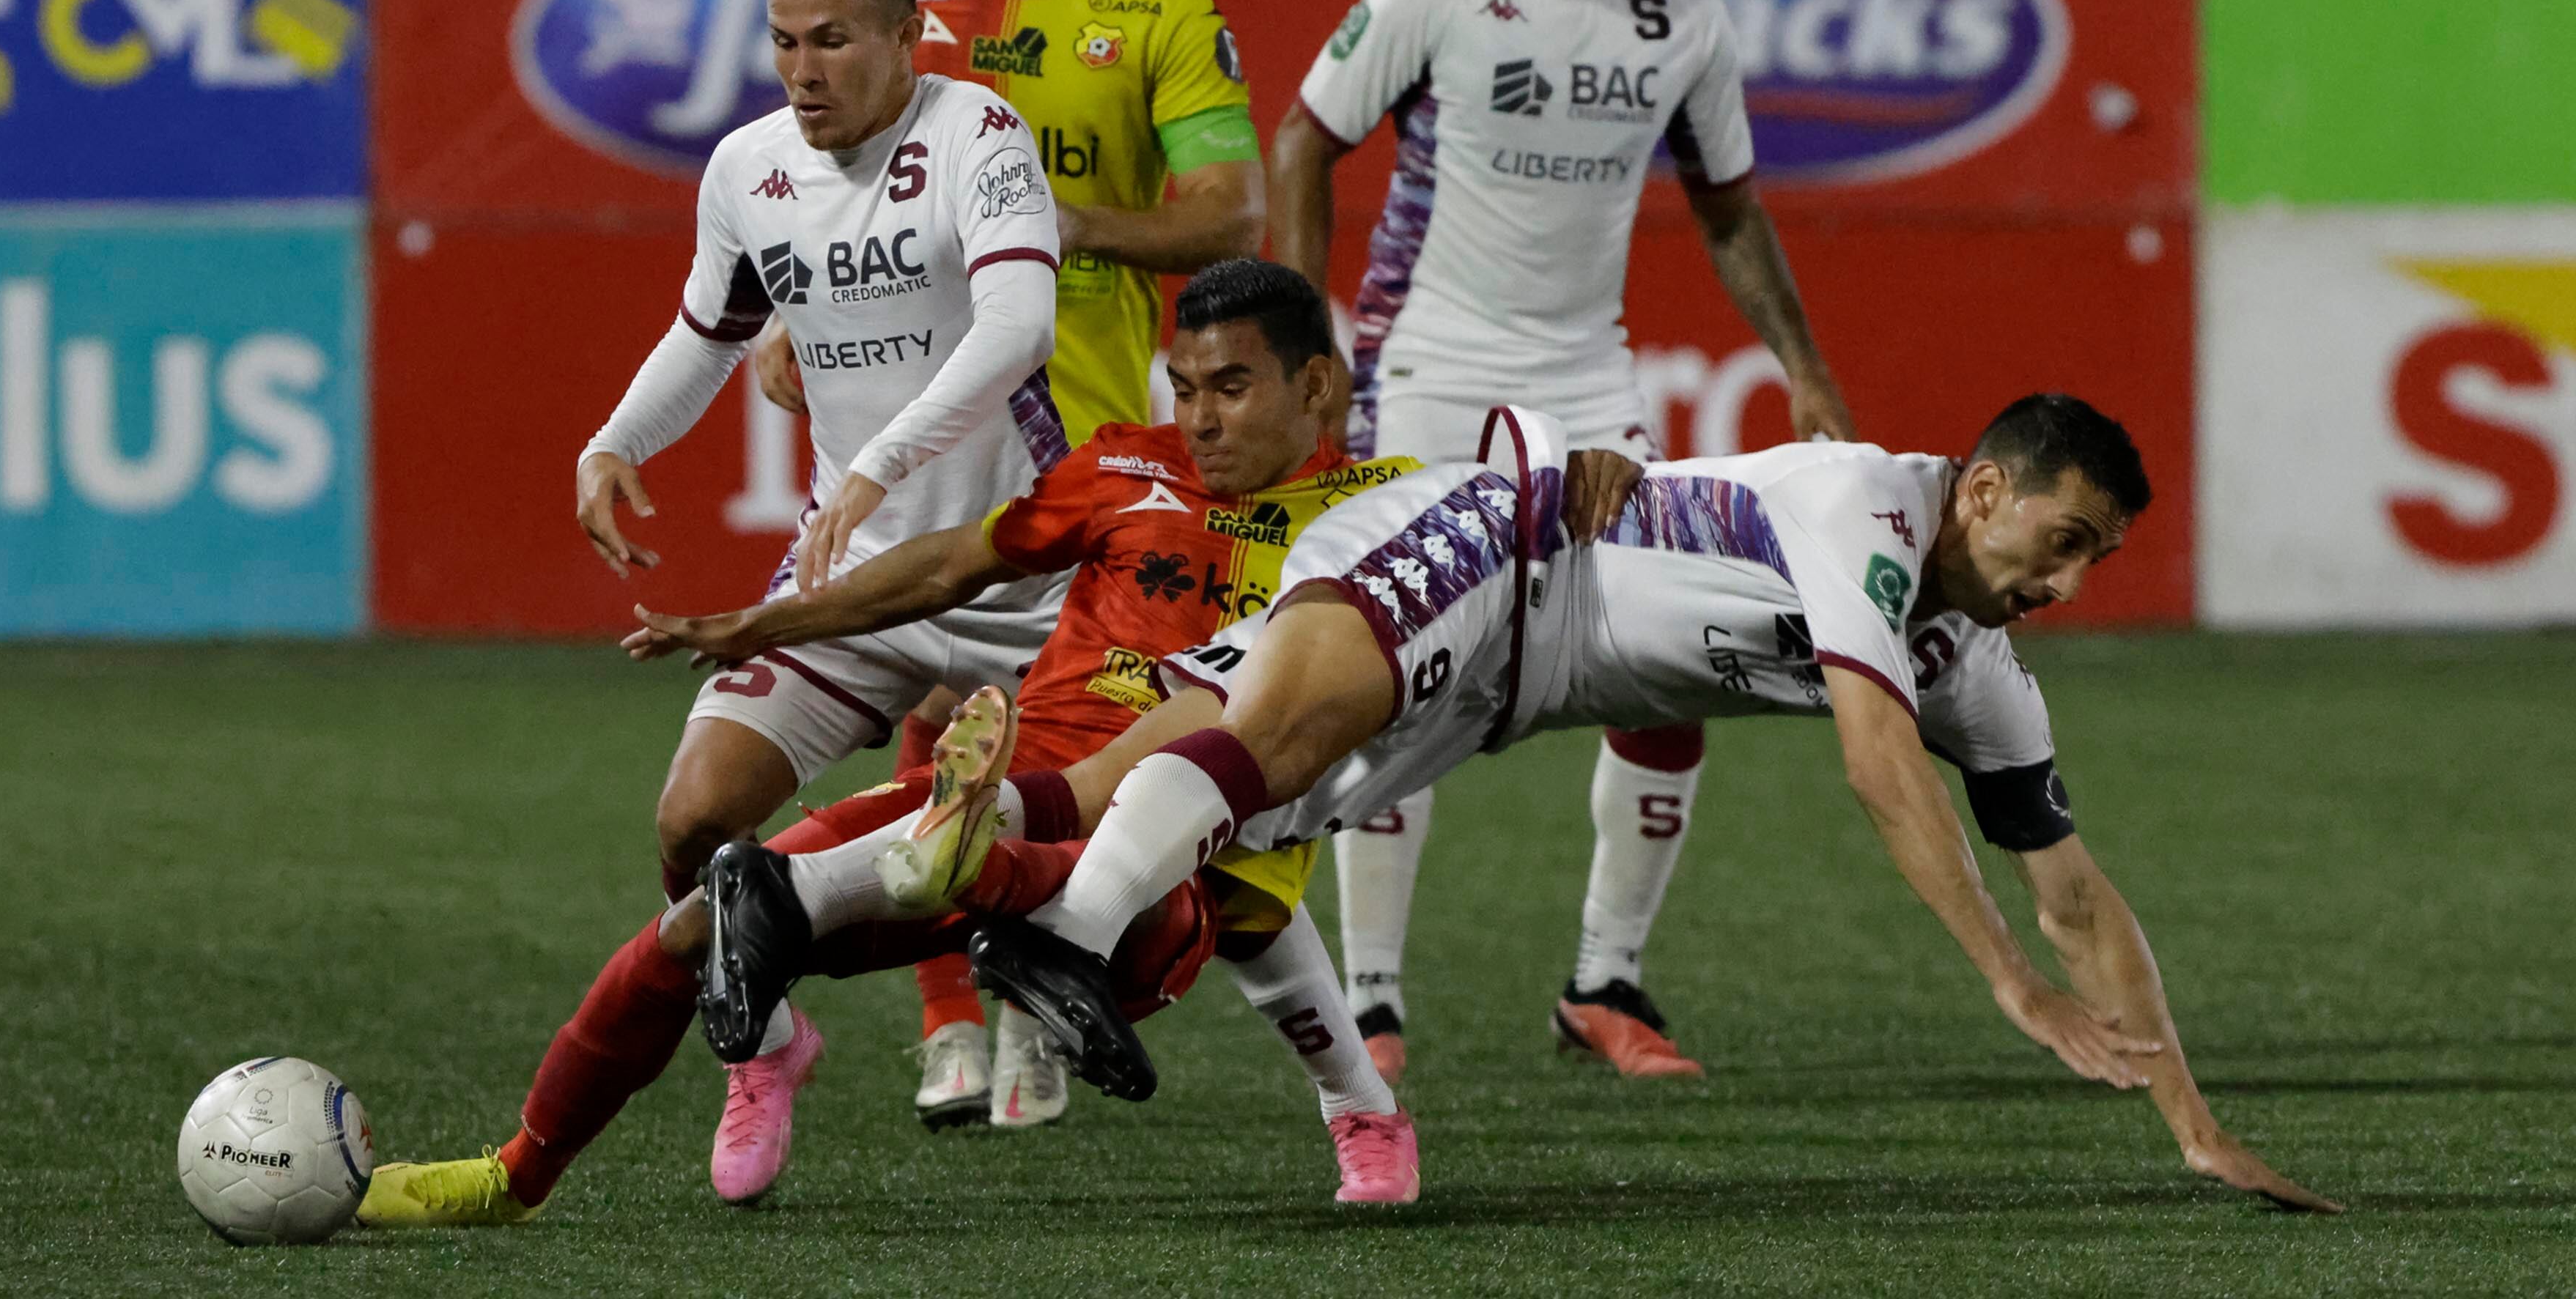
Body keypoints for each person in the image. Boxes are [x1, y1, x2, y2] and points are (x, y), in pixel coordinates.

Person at [838, 396, 2338, 1213]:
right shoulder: (1866, 506)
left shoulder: (1981, 664)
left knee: (1184, 788)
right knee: (1265, 751)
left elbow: (2075, 886)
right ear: (1986, 492)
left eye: (2099, 564)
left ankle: (865, 877)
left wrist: (2193, 1122)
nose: (2067, 588)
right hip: (1499, 546)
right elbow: (1875, 766)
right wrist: (2009, 986)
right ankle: (1040, 932)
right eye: (2060, 540)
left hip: (1511, 691)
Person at [357, 263, 1464, 1223]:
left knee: (1177, 899)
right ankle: (519, 1173)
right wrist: (768, 618)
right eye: (1185, 387)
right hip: (1025, 778)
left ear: (1316, 385)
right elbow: (950, 566)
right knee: (704, 922)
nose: (1201, 418)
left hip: (1190, 835)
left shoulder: (1391, 517)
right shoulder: (1127, 468)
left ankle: (1351, 1100)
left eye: (1232, 387)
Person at [1268, 0, 1851, 1081]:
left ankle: (1606, 982)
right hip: (1425, 369)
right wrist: (1311, 351)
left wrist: (1804, 369)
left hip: (1589, 381)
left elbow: (1730, 208)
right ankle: (1372, 1005)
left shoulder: (1684, 19)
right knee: (1390, 668)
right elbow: (1304, 140)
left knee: (1672, 660)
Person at [749, 0, 1265, 1125]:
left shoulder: (1166, 11)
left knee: (1061, 736)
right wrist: (794, 317)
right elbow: (823, 185)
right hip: (925, 411)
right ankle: (947, 1029)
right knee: (931, 702)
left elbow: (1231, 214)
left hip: (1091, 424)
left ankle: (1033, 975)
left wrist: (1042, 220)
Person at [567, 0, 1065, 1199]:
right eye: (785, 40)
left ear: (910, 34)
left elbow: (1015, 327)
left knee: (1130, 852)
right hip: (855, 583)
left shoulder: (979, 137)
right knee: (694, 816)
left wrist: (875, 465)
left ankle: (1352, 1087)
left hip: (1025, 581)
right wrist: (617, 441)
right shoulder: (746, 167)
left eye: (836, 39)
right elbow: (708, 329)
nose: (804, 68)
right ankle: (765, 1042)